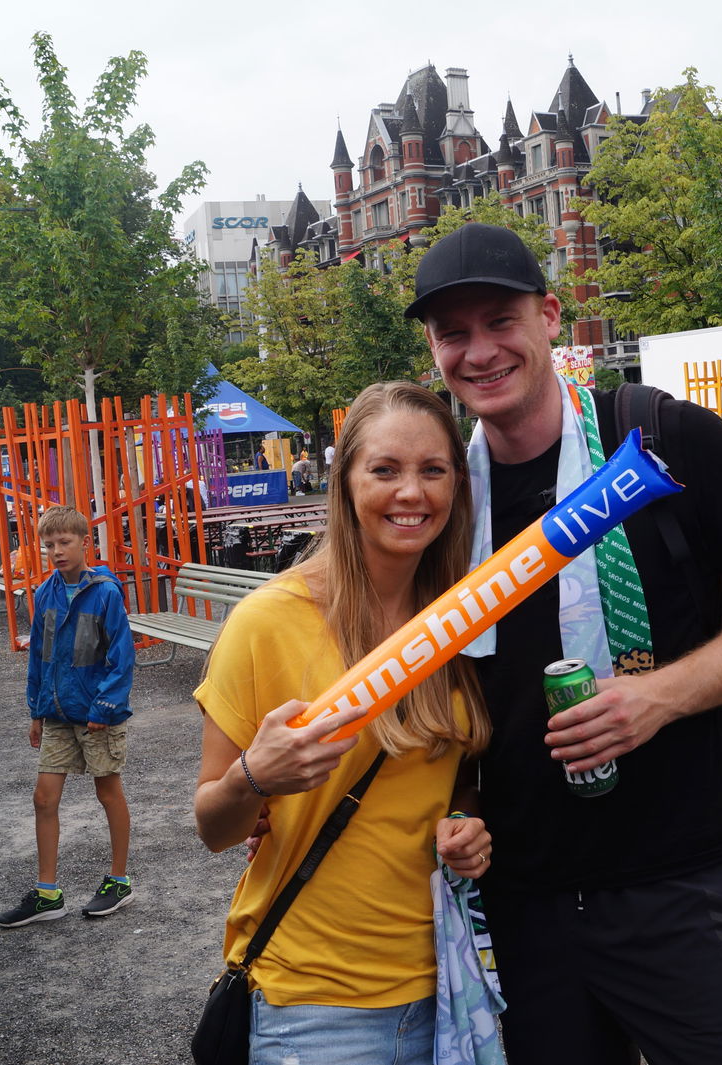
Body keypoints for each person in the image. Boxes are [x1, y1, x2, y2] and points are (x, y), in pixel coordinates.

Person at [406, 222, 722, 1065]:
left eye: (500, 321)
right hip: (525, 899)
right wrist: (459, 808)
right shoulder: (445, 500)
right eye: (453, 333)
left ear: (550, 317)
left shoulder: (665, 439)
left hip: (677, 880)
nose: (479, 351)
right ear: (433, 350)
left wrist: (657, 696)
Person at [193, 381, 493, 1064]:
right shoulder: (268, 621)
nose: (411, 492)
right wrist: (253, 777)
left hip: (450, 987)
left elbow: (455, 779)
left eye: (433, 470)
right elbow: (214, 827)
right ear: (345, 482)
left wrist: (468, 822)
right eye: (384, 469)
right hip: (313, 1005)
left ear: (457, 483)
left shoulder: (465, 617)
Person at [0, 505, 135, 927]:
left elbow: (121, 658)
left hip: (96, 715)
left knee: (108, 792)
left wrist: (105, 707)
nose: (56, 551)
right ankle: (47, 893)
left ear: (85, 543)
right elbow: (40, 656)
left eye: (64, 542)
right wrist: (35, 710)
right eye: (49, 545)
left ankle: (119, 881)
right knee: (44, 798)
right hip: (56, 712)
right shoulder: (45, 593)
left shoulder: (106, 593)